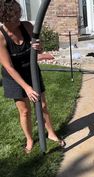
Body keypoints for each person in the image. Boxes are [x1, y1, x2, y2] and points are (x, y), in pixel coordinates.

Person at [0, 0, 65, 153]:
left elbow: (39, 50)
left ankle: (51, 134)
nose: (18, 18)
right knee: (25, 111)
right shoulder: (1, 37)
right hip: (13, 76)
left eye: (18, 13)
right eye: (14, 16)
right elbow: (8, 67)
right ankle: (29, 140)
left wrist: (39, 47)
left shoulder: (27, 26)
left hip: (31, 71)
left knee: (42, 105)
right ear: (4, 18)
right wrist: (27, 88)